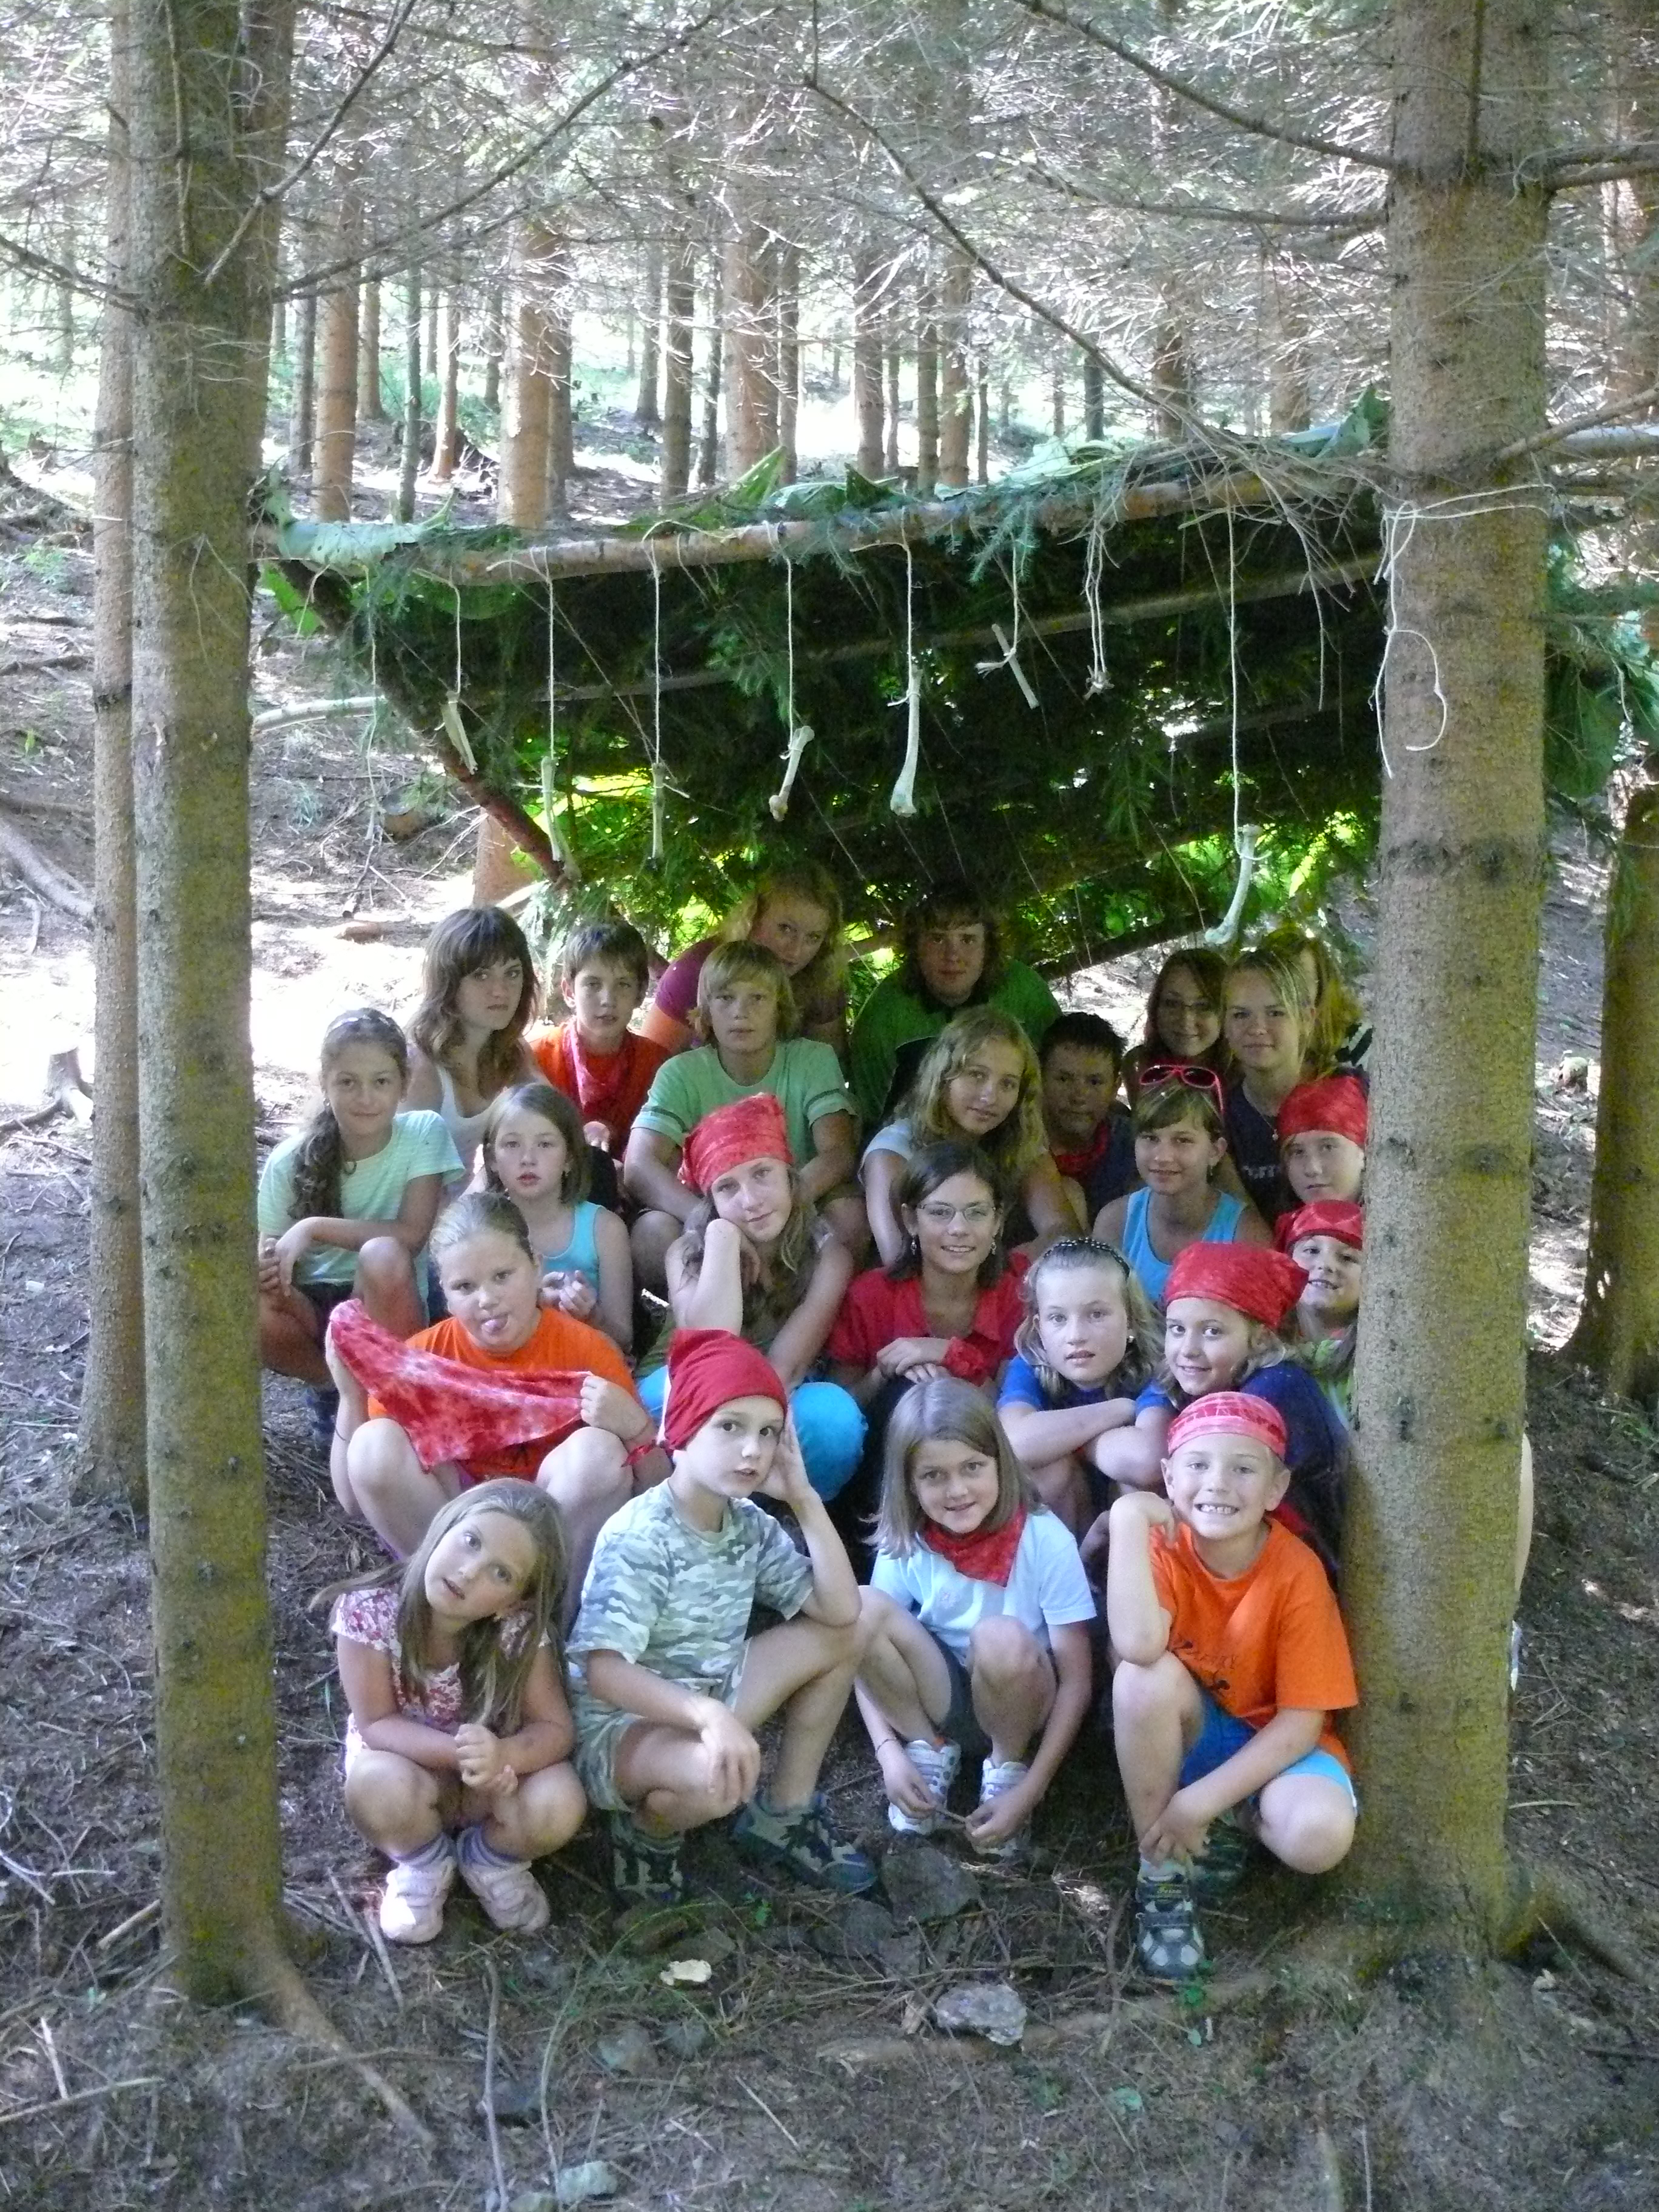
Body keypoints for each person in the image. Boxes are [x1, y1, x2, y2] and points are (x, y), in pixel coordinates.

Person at [568, 1328, 876, 1906]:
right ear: (683, 1428)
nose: (753, 1450)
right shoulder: (642, 1534)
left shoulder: (748, 1524)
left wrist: (805, 1498)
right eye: (730, 1426)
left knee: (852, 1630)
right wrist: (706, 1715)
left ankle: (784, 1812)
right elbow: (603, 1671)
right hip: (622, 1729)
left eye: (768, 1432)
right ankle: (647, 1833)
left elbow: (840, 1611)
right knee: (719, 1781)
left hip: (709, 1697)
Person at [1105, 1393, 1358, 1982]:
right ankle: (1162, 1871)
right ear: (1169, 1478)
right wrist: (1127, 1521)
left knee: (1319, 1836)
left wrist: (1198, 1803)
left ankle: (1223, 1820)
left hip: (1276, 1747)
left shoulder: (1296, 1571)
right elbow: (1137, 1647)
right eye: (1197, 1465)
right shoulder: (1160, 1548)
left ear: (1275, 1488)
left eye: (1243, 1468)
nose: (1218, 1483)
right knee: (1141, 1680)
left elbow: (1301, 1724)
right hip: (1196, 1734)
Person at [326, 1191, 662, 1597]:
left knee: (600, 1453)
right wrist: (350, 1395)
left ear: (536, 1266)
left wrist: (637, 1429)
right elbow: (354, 1498)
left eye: (502, 1276)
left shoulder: (589, 1351)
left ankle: (546, 1615)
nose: (487, 1300)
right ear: (445, 1294)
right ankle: (449, 1602)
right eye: (465, 1286)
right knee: (374, 1443)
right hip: (453, 1517)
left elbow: (660, 1492)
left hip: (550, 1527)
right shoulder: (424, 1358)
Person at [325, 1480, 586, 1944]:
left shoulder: (520, 1633)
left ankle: (491, 1860)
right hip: (410, 1776)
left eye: (500, 1573)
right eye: (470, 1541)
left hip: (493, 1791)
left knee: (561, 1799)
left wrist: (505, 1756)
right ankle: (422, 1862)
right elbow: (377, 1723)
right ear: (444, 1526)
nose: (468, 1572)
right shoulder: (370, 1612)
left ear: (513, 1604)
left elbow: (554, 1728)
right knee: (372, 1783)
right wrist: (462, 1755)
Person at [857, 1377, 1094, 1856]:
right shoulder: (909, 1540)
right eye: (933, 1476)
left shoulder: (1044, 1537)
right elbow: (858, 1645)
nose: (957, 1491)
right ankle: (927, 1750)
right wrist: (888, 1754)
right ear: (908, 1482)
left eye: (972, 1467)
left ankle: (1007, 1769)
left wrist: (1032, 1791)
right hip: (941, 1697)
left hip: (1022, 1698)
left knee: (999, 1636)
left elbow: (1077, 1681)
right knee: (860, 1607)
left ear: (1000, 1462)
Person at [1081, 1241, 1349, 1582]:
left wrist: (1120, 1522)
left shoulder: (1275, 1390)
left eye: (1212, 1332)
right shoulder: (1193, 1377)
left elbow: (1193, 1486)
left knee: (1138, 1502)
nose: (1188, 1350)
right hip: (1235, 1543)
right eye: (1177, 1329)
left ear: (1261, 1339)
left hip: (1297, 1567)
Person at [642, 1094, 863, 1501]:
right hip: (692, 1387)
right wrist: (722, 1238)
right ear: (710, 1202)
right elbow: (710, 1346)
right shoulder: (686, 1253)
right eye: (727, 1187)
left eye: (762, 1174)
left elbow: (786, 1367)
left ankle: (793, 1512)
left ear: (790, 1179)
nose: (750, 1200)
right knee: (653, 1399)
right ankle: (698, 1510)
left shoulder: (828, 1256)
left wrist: (739, 1433)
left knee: (835, 1420)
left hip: (780, 1391)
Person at [258, 1008, 460, 1426]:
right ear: (325, 1084)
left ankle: (395, 1405)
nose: (365, 1098)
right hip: (313, 1308)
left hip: (387, 1297)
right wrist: (268, 1267)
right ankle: (333, 1390)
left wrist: (313, 1228)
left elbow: (412, 1236)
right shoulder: (288, 1161)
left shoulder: (423, 1133)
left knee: (383, 1254)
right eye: (348, 1082)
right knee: (250, 1303)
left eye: (381, 1082)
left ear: (403, 1083)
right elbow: (271, 1250)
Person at [623, 942, 862, 1289]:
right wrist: (714, 1221)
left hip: (798, 1205)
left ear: (780, 1007)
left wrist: (779, 1207)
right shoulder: (681, 1073)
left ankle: (810, 1310)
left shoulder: (813, 1060)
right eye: (725, 998)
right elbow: (638, 1165)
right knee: (652, 1232)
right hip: (711, 1213)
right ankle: (709, 1317)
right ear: (706, 1010)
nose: (741, 1012)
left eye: (758, 998)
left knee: (849, 1216)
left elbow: (838, 1152)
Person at [862, 1009, 1078, 1267]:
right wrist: (1003, 1269)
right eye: (977, 1075)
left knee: (1072, 1193)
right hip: (916, 1286)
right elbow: (899, 1259)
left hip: (1004, 1278)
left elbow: (1065, 1234)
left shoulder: (1019, 1140)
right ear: (943, 1077)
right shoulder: (893, 1152)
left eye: (1008, 1084)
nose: (990, 1097)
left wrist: (1011, 1268)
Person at [848, 880, 1062, 1127]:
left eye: (968, 940)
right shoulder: (884, 1014)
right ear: (915, 946)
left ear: (988, 948)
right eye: (938, 939)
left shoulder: (1025, 990)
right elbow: (869, 1114)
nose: (952, 956)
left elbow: (1059, 1075)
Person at [996, 1238, 1159, 1533]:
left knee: (1135, 1489)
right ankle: (1072, 1562)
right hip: (1067, 1530)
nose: (1076, 1335)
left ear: (1131, 1320)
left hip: (1127, 1534)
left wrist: (1064, 1441)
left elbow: (1146, 1461)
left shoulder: (1152, 1369)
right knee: (1051, 1471)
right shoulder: (1030, 1366)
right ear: (1040, 1329)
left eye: (1096, 1315)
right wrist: (1120, 1409)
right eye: (1058, 1318)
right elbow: (1014, 1442)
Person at [1093, 1068, 1272, 1309]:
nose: (1163, 1157)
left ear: (1215, 1151)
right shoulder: (1116, 1222)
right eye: (1151, 1138)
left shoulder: (1246, 1235)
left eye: (1183, 1140)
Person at [638, 859, 849, 1058]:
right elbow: (646, 1066)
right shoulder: (696, 970)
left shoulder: (822, 975)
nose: (796, 950)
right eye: (786, 929)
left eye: (813, 938)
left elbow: (829, 1064)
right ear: (755, 917)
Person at [479, 1082, 633, 1354]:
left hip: (586, 1362)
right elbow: (468, 1323)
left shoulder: (605, 1230)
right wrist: (531, 1304)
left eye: (545, 1144)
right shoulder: (482, 1232)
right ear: (492, 1159)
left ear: (569, 1158)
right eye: (512, 1144)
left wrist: (592, 1315)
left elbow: (623, 1337)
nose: (528, 1158)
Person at [404, 907, 540, 1181]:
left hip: (469, 1201)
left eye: (512, 973)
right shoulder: (422, 1067)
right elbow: (398, 1177)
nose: (501, 991)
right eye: (481, 975)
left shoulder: (511, 1050)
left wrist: (591, 1131)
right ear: (448, 982)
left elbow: (555, 1119)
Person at [526, 917, 670, 1161]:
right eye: (593, 984)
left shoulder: (659, 1066)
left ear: (640, 994)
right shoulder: (536, 1060)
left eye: (623, 985)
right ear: (569, 991)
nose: (608, 1000)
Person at [1221, 950, 1332, 1222]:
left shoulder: (1347, 1095)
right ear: (1224, 1024)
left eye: (1275, 1013)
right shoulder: (1218, 1116)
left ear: (1306, 1019)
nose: (1257, 1028)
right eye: (1240, 1015)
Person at [1039, 1011, 1136, 1222]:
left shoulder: (1134, 1145)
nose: (1079, 1097)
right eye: (1064, 1079)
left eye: (1094, 1082)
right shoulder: (1015, 1143)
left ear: (1115, 1087)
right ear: (1040, 1079)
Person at [1280, 1199, 1364, 1427]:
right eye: (1312, 1250)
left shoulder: (1376, 1355)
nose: (1325, 1265)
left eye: (1347, 1258)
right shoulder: (1265, 1343)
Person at [1254, 923, 1371, 1074]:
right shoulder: (1254, 1036)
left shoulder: (1360, 1042)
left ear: (1321, 985)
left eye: (1301, 979)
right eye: (1278, 979)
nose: (1290, 989)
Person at [1120, 948, 1230, 1102]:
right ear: (1156, 1007)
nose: (1186, 1020)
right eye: (1172, 1003)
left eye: (1203, 1006)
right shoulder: (1137, 1065)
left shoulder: (1250, 1078)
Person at [1278, 1074, 1368, 1209]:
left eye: (1328, 1147)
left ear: (1364, 1151)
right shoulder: (1286, 1221)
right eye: (1298, 1152)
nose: (1312, 1169)